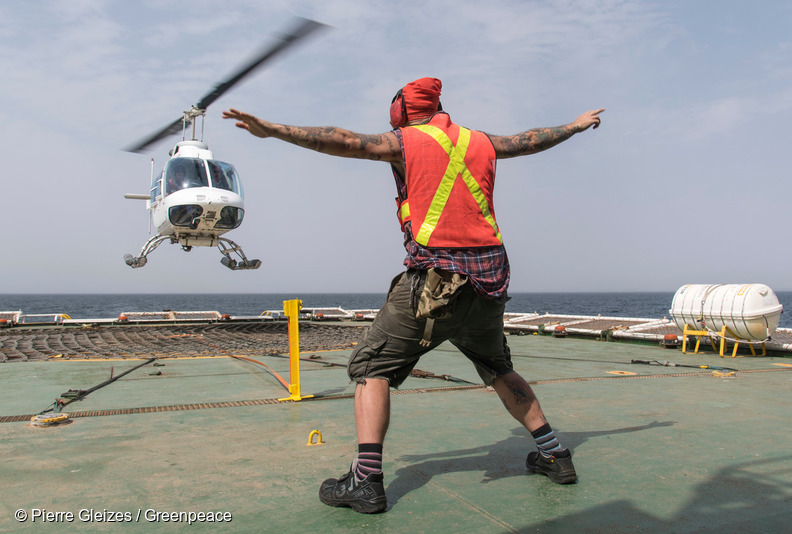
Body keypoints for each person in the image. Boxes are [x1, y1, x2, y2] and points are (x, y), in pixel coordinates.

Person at [223, 77, 603, 514]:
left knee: (371, 364)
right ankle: (555, 455)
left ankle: (366, 481)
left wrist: (274, 130)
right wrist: (573, 126)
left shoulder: (407, 142)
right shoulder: (480, 142)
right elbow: (529, 141)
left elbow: (344, 141)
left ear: (402, 110)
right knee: (497, 365)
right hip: (490, 281)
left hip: (437, 283)